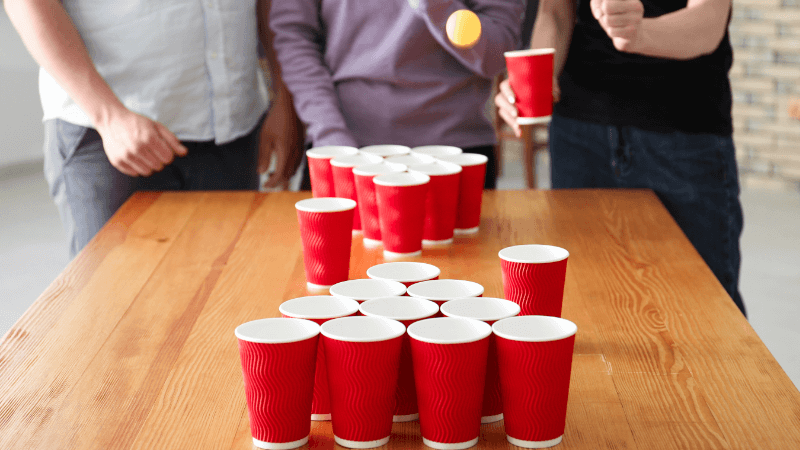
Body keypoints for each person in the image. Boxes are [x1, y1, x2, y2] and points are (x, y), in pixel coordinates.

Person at [495, 0, 747, 316]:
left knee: (708, 309)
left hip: (683, 135)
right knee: (586, 300)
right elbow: (555, 13)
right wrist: (532, 81)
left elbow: (709, 21)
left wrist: (640, 33)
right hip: (578, 133)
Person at [4, 0, 302, 258]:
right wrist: (108, 116)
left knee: (220, 300)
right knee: (118, 308)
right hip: (109, 135)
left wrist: (284, 99)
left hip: (233, 125)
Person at [270, 0, 525, 189]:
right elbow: (294, 36)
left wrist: (437, 6)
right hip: (342, 150)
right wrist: (330, 135)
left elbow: (496, 53)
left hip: (454, 156)